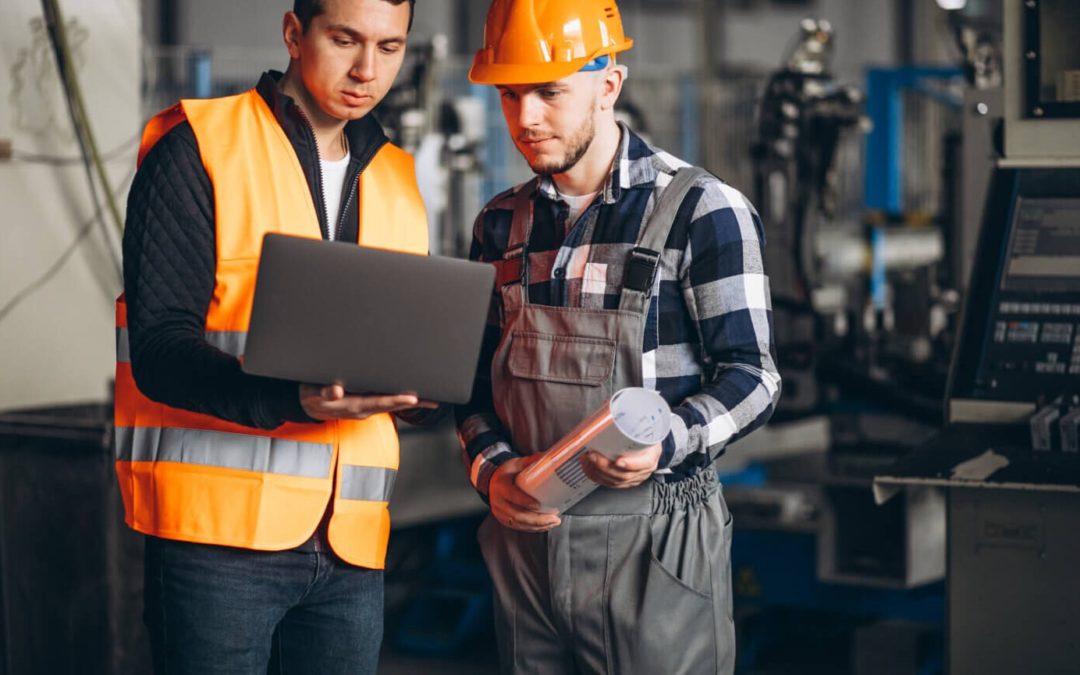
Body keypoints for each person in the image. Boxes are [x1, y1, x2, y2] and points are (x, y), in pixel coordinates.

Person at [456, 1, 782, 673]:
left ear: (609, 86)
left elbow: (754, 376)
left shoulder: (699, 210)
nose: (525, 119)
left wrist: (669, 438)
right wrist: (491, 471)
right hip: (526, 549)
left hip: (656, 548)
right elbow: (471, 381)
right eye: (510, 94)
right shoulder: (499, 224)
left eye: (549, 93)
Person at [115, 1, 435, 672]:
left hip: (352, 542)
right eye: (344, 39)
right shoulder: (199, 147)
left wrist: (424, 384)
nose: (366, 69)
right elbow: (159, 349)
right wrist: (292, 397)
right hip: (216, 544)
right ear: (294, 33)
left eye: (389, 46)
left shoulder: (399, 179)